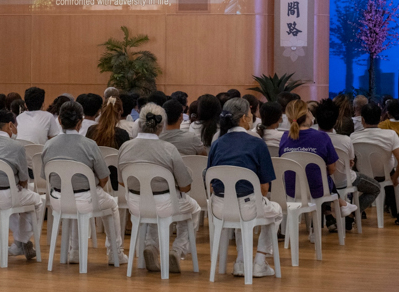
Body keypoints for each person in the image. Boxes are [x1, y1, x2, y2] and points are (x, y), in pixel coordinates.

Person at [41, 101, 128, 265]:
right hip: (85, 198)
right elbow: (104, 177)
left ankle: (75, 251)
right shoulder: (89, 145)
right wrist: (93, 189)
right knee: (112, 205)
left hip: (58, 200)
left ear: (59, 120)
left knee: (73, 202)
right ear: (80, 122)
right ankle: (115, 253)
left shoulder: (48, 145)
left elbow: (47, 176)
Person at [118, 103, 201, 273]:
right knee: (194, 209)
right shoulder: (168, 149)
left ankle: (151, 246)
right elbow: (185, 186)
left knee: (154, 208)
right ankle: (177, 251)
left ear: (139, 123)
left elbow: (121, 181)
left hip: (135, 203)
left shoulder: (125, 147)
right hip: (164, 203)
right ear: (161, 125)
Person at [207, 98, 282, 277]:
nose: (252, 116)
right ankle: (260, 260)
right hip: (248, 206)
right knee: (277, 211)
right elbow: (265, 187)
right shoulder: (256, 143)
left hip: (219, 207)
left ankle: (241, 260)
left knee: (241, 219)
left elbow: (210, 181)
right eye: (250, 114)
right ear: (243, 118)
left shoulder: (217, 143)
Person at [0, 109, 43, 260]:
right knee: (37, 201)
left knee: (4, 204)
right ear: (10, 125)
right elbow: (24, 180)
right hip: (5, 196)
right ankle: (21, 242)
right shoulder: (16, 146)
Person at [279, 100, 357, 234]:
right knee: (323, 176)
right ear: (308, 115)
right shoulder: (322, 137)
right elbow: (332, 169)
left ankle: (340, 205)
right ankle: (341, 204)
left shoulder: (284, 137)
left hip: (291, 189)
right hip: (318, 190)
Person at [315, 99, 380, 224]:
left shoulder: (312, 139)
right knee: (376, 188)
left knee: (323, 183)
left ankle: (329, 215)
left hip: (320, 182)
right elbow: (350, 162)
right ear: (335, 121)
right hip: (344, 180)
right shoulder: (345, 140)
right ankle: (351, 215)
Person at [351, 102, 399, 216]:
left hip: (363, 176)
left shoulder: (353, 136)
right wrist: (394, 178)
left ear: (362, 120)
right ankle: (395, 210)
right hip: (385, 174)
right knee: (391, 172)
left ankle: (357, 211)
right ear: (381, 118)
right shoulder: (391, 135)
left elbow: (351, 162)